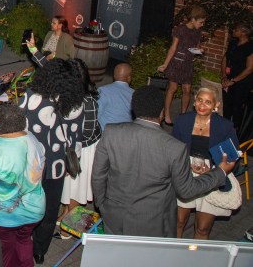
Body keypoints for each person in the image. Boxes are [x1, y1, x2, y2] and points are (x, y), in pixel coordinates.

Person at [92, 85, 235, 237]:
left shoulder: (111, 132)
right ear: (161, 113)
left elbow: (98, 176)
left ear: (134, 108)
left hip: (114, 214)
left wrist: (102, 205)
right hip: (152, 221)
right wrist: (219, 173)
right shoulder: (174, 147)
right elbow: (187, 190)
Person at [18, 59, 84, 264]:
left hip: (31, 162)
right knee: (50, 208)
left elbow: (19, 124)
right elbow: (75, 138)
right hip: (56, 165)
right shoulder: (75, 102)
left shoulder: (32, 96)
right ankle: (40, 250)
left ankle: (22, 241)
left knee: (24, 202)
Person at [0, 103, 46, 267]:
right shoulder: (33, 139)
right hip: (34, 210)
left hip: (2, 217)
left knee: (4, 252)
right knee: (24, 241)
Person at [174, 87, 239, 240]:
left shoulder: (224, 126)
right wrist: (185, 164)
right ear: (195, 101)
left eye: (208, 102)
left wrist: (214, 170)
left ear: (216, 105)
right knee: (178, 221)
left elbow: (232, 156)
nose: (202, 105)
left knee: (202, 228)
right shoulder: (183, 120)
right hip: (186, 172)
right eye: (200, 100)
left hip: (211, 174)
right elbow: (173, 148)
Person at [60, 59, 103, 230]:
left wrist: (71, 139)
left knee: (75, 187)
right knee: (68, 185)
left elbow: (88, 131)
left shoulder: (88, 101)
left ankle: (70, 227)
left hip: (84, 149)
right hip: (71, 145)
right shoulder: (65, 94)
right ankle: (65, 214)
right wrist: (33, 50)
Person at [159, 5, 207, 125]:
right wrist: (165, 64)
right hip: (176, 62)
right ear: (193, 19)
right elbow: (173, 47)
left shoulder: (198, 31)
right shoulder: (180, 29)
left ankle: (183, 116)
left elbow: (196, 46)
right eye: (201, 22)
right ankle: (167, 114)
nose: (202, 24)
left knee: (187, 90)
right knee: (173, 88)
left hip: (188, 63)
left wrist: (199, 50)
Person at [221, 22, 253, 131]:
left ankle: (234, 130)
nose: (234, 30)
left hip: (242, 82)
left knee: (237, 107)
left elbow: (249, 68)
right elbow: (225, 59)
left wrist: (233, 81)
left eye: (237, 29)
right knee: (226, 106)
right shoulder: (233, 43)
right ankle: (224, 128)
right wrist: (224, 76)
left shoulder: (250, 47)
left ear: (244, 33)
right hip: (229, 79)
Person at [97, 63, 134, 130]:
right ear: (129, 77)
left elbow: (95, 114)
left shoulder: (103, 90)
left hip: (105, 135)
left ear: (114, 76)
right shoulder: (135, 94)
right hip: (126, 135)